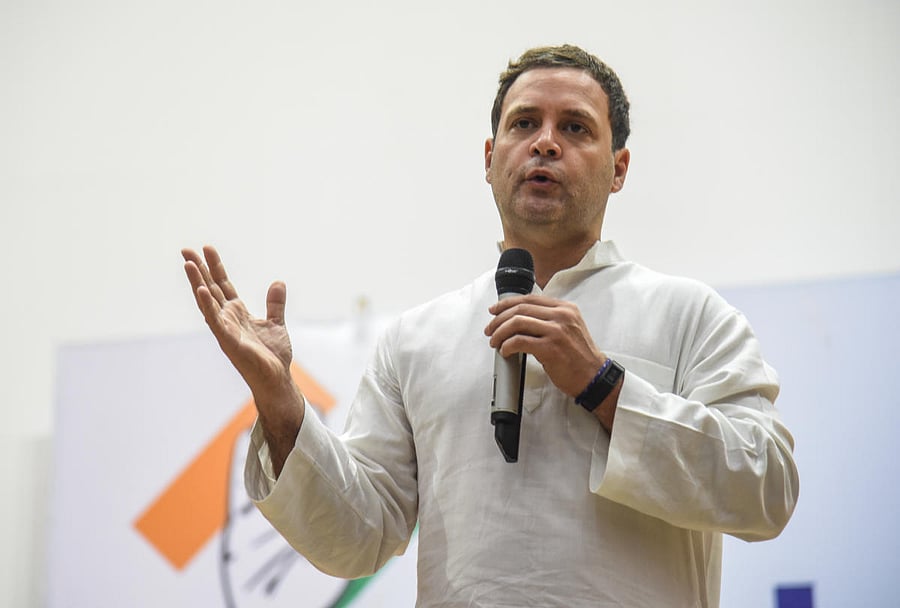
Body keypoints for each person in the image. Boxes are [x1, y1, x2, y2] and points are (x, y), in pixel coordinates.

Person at [183, 44, 799, 607]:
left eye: (575, 128)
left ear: (619, 169)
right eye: (524, 123)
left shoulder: (690, 314)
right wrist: (280, 402)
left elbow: (766, 490)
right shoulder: (417, 339)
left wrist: (602, 384)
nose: (546, 143)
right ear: (489, 157)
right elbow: (355, 540)